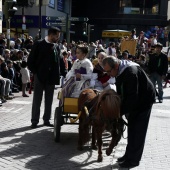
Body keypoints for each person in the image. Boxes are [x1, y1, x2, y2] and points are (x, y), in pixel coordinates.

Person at [102, 56, 155, 168]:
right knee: (131, 129)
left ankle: (133, 160)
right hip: (134, 102)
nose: (108, 74)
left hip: (143, 102)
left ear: (116, 66)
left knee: (138, 131)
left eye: (109, 71)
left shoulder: (131, 72)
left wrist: (119, 112)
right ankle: (128, 155)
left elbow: (132, 97)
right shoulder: (119, 71)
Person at [27, 27, 61, 128]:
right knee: (37, 99)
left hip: (51, 78)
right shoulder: (39, 44)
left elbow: (57, 62)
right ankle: (34, 120)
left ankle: (46, 119)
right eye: (57, 36)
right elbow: (31, 59)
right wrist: (36, 72)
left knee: (49, 99)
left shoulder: (56, 46)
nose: (58, 38)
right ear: (51, 35)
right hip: (40, 76)